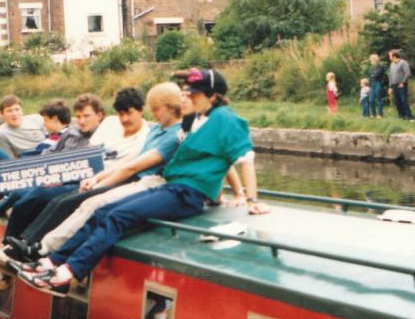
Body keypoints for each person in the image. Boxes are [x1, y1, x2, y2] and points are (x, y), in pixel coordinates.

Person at [20, 68, 270, 296]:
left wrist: (251, 199)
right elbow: (208, 156)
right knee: (103, 211)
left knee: (119, 216)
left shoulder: (228, 120)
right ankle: (51, 262)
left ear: (212, 96)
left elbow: (243, 159)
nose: (186, 98)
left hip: (187, 193)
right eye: (185, 93)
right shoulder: (197, 120)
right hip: (171, 186)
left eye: (192, 95)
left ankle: (68, 274)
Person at [0, 83, 183, 279]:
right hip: (88, 176)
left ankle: (29, 250)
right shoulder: (133, 127)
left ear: (141, 111)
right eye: (120, 113)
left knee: (67, 203)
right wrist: (72, 177)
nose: (124, 118)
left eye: (129, 113)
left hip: (118, 181)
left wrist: (97, 183)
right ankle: (10, 253)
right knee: (33, 196)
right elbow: (92, 157)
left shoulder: (155, 133)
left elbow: (131, 167)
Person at [0, 89, 147, 240]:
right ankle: (9, 239)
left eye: (86, 116)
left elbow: (124, 167)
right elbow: (84, 155)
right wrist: (55, 175)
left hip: (94, 181)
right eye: (78, 117)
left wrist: (66, 177)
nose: (81, 121)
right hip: (73, 174)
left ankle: (22, 242)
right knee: (26, 194)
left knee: (46, 197)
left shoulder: (142, 137)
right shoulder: (98, 127)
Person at [388, 50, 415, 122]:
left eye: (390, 56)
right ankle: (401, 116)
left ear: (394, 56)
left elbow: (407, 73)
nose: (389, 58)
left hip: (402, 85)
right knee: (397, 102)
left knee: (404, 101)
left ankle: (410, 117)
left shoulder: (403, 62)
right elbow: (391, 76)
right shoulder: (392, 64)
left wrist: (403, 82)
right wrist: (390, 87)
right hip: (394, 85)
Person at [368, 54, 387, 119]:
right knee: (371, 100)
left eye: (371, 59)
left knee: (378, 99)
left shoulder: (381, 67)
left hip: (378, 83)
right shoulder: (371, 67)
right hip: (372, 84)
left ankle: (380, 114)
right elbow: (371, 77)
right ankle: (373, 114)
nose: (370, 61)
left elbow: (376, 75)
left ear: (375, 59)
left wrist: (373, 75)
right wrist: (369, 86)